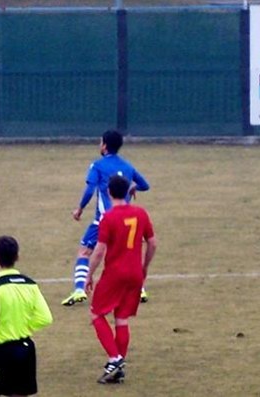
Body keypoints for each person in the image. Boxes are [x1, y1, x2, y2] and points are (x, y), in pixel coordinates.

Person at [63, 130, 150, 307]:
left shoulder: (97, 166)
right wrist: (133, 187)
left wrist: (79, 209)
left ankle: (80, 289)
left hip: (104, 220)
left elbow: (89, 189)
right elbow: (145, 185)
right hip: (126, 220)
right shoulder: (127, 166)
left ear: (104, 145)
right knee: (127, 254)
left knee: (84, 252)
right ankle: (139, 289)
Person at [85, 175, 157, 384]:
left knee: (97, 314)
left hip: (115, 274)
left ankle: (115, 359)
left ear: (109, 192)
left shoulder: (109, 217)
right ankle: (119, 368)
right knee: (121, 319)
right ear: (127, 192)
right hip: (135, 274)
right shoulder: (141, 213)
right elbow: (152, 244)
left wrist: (89, 274)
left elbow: (99, 251)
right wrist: (144, 267)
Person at [0, 236, 53, 396]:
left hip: (4, 352)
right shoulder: (30, 284)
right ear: (17, 257)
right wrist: (26, 326)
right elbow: (46, 318)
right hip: (26, 350)